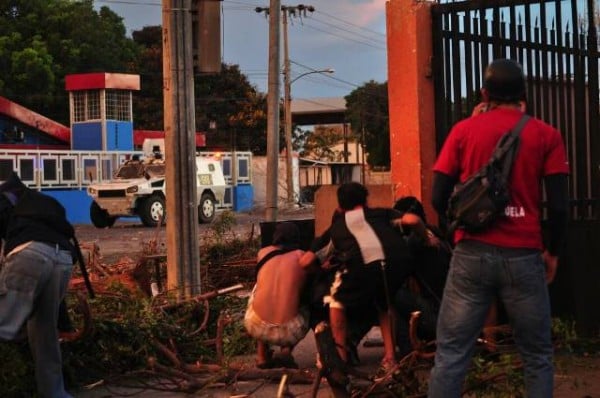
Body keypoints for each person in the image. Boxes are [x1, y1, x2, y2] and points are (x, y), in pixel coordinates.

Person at [428, 59, 569, 397]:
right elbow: (560, 207)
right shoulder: (546, 135)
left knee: (450, 354)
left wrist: (458, 232)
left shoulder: (463, 131)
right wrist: (552, 252)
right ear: (523, 94)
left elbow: (437, 196)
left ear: (484, 93)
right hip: (523, 256)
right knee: (536, 355)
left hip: (471, 253)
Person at [312, 182, 413, 372]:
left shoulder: (338, 227)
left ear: (340, 207)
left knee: (335, 301)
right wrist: (427, 236)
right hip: (398, 266)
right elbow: (413, 221)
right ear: (366, 200)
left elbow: (309, 259)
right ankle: (390, 358)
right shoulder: (383, 214)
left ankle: (340, 359)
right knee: (384, 302)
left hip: (361, 272)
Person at [0, 172, 77, 398]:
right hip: (63, 258)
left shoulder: (2, 199)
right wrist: (64, 323)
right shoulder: (38, 200)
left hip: (29, 254)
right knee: (45, 331)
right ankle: (55, 393)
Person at [244, 222, 309, 368]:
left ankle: (261, 356)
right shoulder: (302, 257)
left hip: (255, 326)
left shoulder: (263, 253)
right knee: (305, 300)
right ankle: (286, 351)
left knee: (258, 288)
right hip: (289, 332)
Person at [391, 196, 451, 356]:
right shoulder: (437, 233)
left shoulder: (414, 241)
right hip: (453, 315)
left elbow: (396, 272)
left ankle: (406, 350)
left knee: (394, 293)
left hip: (438, 319)